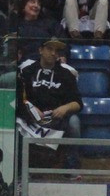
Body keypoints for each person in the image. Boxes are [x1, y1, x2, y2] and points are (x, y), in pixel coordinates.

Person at [18, 37, 83, 170]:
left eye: (56, 50)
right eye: (49, 49)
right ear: (40, 50)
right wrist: (31, 109)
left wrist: (65, 107)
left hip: (57, 119)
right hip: (31, 119)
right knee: (15, 122)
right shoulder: (27, 72)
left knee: (74, 123)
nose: (53, 53)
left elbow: (78, 103)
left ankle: (71, 169)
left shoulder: (66, 74)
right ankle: (20, 170)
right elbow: (19, 99)